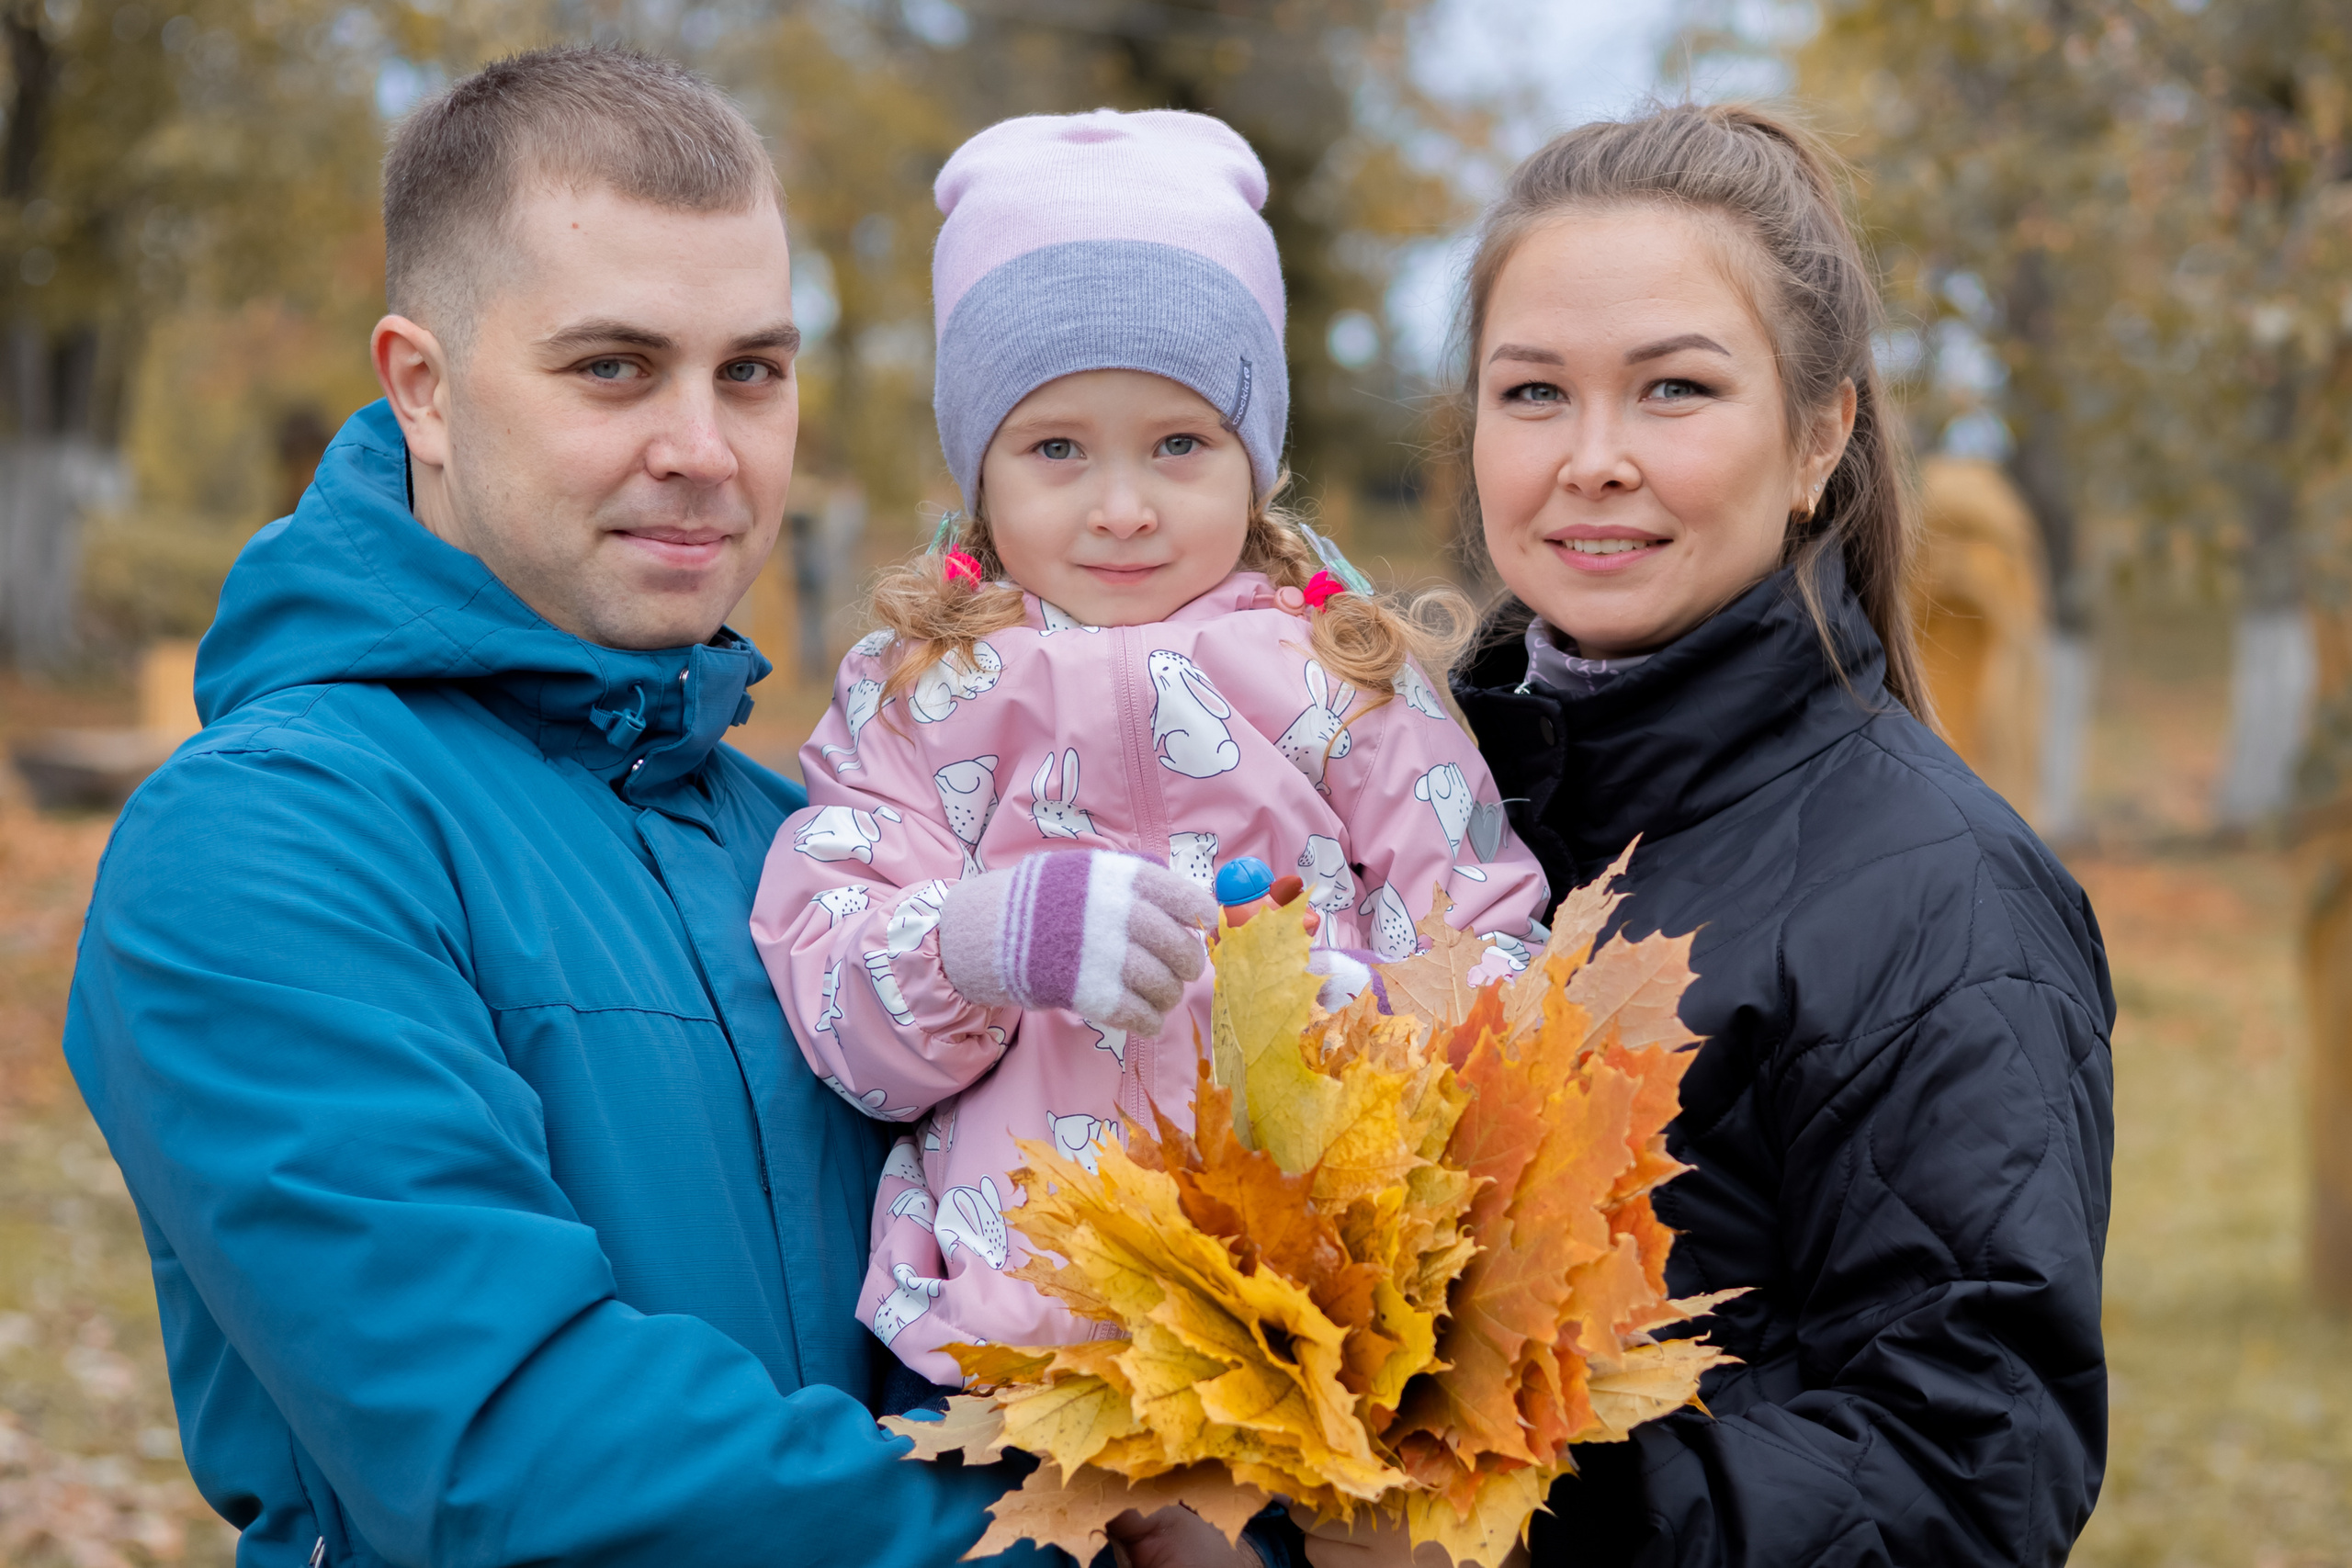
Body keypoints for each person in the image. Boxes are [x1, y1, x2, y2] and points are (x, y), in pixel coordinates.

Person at [61, 47, 1049, 1568]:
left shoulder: (815, 848)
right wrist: (1066, 1537)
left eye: (752, 372)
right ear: (425, 388)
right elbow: (516, 1457)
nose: (704, 451)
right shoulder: (266, 846)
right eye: (613, 367)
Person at [749, 109, 1549, 1407]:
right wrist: (980, 942)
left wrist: (1375, 1030)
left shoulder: (1344, 676)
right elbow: (834, 990)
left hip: (1314, 1322)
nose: (1121, 505)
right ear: (979, 471)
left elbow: (1490, 933)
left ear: (1256, 457)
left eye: (1179, 445)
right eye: (1056, 447)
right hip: (1016, 1341)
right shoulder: (916, 699)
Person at [1440, 105, 2117, 1567]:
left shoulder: (1948, 901)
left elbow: (1974, 1470)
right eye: (1534, 394)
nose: (1594, 458)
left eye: (1675, 390)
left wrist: (1516, 1521)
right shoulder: (1412, 816)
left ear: (1820, 437)